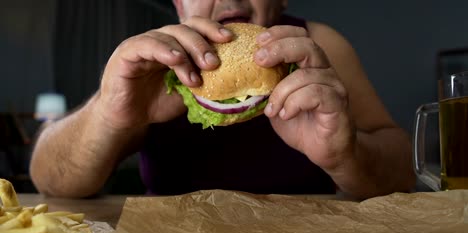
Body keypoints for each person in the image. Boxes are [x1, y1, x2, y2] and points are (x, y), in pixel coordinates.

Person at [29, 0, 415, 199]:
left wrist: (347, 156)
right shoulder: (150, 63)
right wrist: (108, 116)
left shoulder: (319, 46)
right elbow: (48, 180)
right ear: (179, 5)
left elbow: (402, 174)